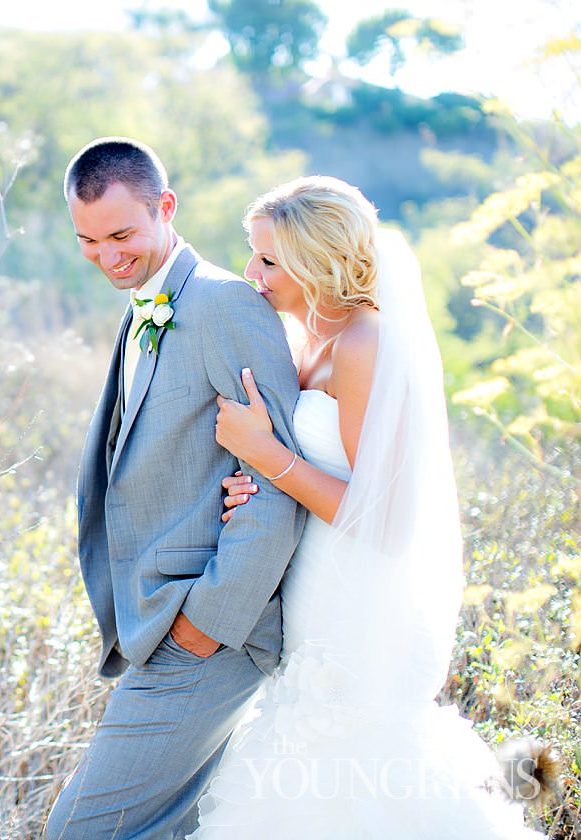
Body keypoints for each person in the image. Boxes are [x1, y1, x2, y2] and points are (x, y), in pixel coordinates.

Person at [190, 176, 542, 838]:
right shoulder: (303, 343)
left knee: (352, 765)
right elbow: (307, 469)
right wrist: (249, 484)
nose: (252, 272)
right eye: (253, 253)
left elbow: (384, 522)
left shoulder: (364, 345)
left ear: (317, 262)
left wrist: (266, 456)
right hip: (315, 582)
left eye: (269, 259)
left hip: (363, 596)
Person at [44, 137, 305, 839]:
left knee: (81, 831)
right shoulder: (144, 301)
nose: (107, 256)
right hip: (156, 625)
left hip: (210, 631)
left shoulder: (225, 304)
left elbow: (277, 480)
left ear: (166, 207)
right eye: (88, 240)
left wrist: (205, 624)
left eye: (122, 235)